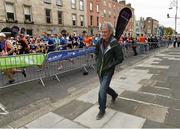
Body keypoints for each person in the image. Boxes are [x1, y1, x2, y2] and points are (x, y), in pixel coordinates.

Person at [95, 22, 124, 120]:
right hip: (100, 70)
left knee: (102, 90)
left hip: (108, 71)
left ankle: (101, 110)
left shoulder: (114, 43)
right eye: (102, 32)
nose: (103, 34)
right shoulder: (99, 41)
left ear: (110, 32)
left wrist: (110, 65)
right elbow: (96, 53)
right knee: (105, 88)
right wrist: (97, 63)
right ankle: (114, 94)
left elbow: (120, 58)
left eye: (105, 32)